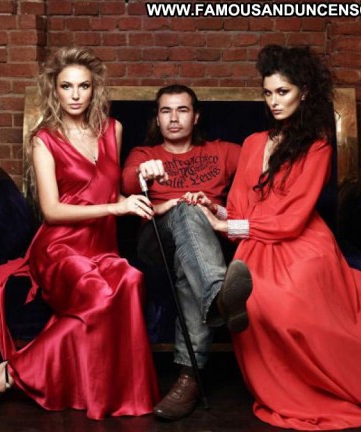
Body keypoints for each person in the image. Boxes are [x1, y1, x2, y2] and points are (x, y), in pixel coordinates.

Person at [198, 44, 361, 430]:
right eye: (268, 92)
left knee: (288, 302)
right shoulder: (252, 143)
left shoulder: (317, 145)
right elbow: (238, 209)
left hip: (304, 244)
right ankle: (234, 314)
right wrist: (214, 212)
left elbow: (292, 221)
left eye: (282, 92)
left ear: (304, 93)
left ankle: (347, 383)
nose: (274, 101)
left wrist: (229, 227)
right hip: (256, 244)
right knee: (257, 298)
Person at [0, 47, 159, 420]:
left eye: (83, 86)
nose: (75, 95)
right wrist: (115, 208)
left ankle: (114, 393)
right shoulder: (44, 140)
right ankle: (12, 372)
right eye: (67, 86)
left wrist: (136, 202)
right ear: (54, 90)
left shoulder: (113, 130)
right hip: (60, 249)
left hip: (102, 247)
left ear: (94, 89)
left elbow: (109, 193)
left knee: (131, 280)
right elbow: (52, 211)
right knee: (101, 297)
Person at [121, 84, 252, 420]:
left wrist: (216, 210)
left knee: (188, 262)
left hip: (203, 245)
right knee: (186, 210)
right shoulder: (145, 154)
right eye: (166, 111)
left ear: (195, 117)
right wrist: (148, 179)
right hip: (156, 240)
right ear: (157, 118)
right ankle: (219, 294)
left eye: (182, 110)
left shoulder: (223, 151)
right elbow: (127, 183)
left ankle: (188, 377)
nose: (174, 118)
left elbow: (265, 168)